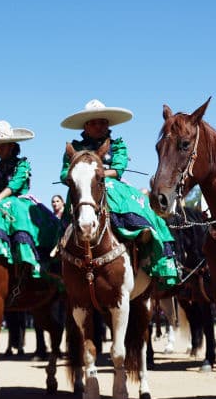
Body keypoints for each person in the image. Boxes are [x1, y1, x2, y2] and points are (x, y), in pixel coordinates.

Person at [59, 99, 179, 290]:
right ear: (86, 126)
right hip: (82, 188)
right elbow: (65, 173)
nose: (99, 126)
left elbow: (119, 168)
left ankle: (141, 233)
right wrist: (84, 176)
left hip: (111, 184)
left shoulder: (118, 144)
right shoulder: (74, 148)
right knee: (67, 217)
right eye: (93, 123)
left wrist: (96, 174)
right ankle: (61, 257)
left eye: (102, 122)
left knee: (130, 201)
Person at [0, 120, 60, 279]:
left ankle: (28, 257)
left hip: (18, 201)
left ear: (12, 145)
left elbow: (14, 185)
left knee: (13, 211)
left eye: (3, 145)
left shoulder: (22, 164)